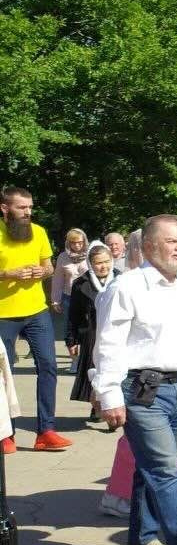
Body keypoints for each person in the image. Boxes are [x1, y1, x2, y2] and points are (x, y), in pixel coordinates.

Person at [93, 214, 177, 545]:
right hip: (141, 390)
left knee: (150, 466)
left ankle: (142, 537)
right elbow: (108, 345)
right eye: (171, 241)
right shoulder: (126, 288)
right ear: (148, 247)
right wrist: (110, 396)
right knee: (165, 469)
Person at [0, 186, 68, 453]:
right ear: (5, 208)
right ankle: (6, 434)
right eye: (22, 208)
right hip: (3, 314)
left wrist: (43, 271)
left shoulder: (38, 232)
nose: (28, 212)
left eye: (30, 207)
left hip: (37, 311)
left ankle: (46, 431)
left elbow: (49, 267)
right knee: (4, 374)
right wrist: (8, 274)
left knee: (49, 367)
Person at [66, 243, 118, 421]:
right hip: (91, 334)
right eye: (98, 263)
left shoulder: (121, 280)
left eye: (107, 261)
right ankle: (97, 405)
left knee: (115, 370)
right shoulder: (81, 284)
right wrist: (71, 339)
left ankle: (114, 408)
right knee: (93, 371)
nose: (103, 266)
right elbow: (73, 314)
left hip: (117, 333)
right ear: (90, 263)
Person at [49, 228, 89, 315]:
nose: (77, 245)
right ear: (68, 243)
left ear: (84, 241)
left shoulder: (91, 255)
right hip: (68, 297)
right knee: (69, 326)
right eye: (73, 243)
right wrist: (55, 301)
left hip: (88, 296)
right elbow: (57, 280)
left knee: (90, 326)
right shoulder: (63, 257)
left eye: (80, 242)